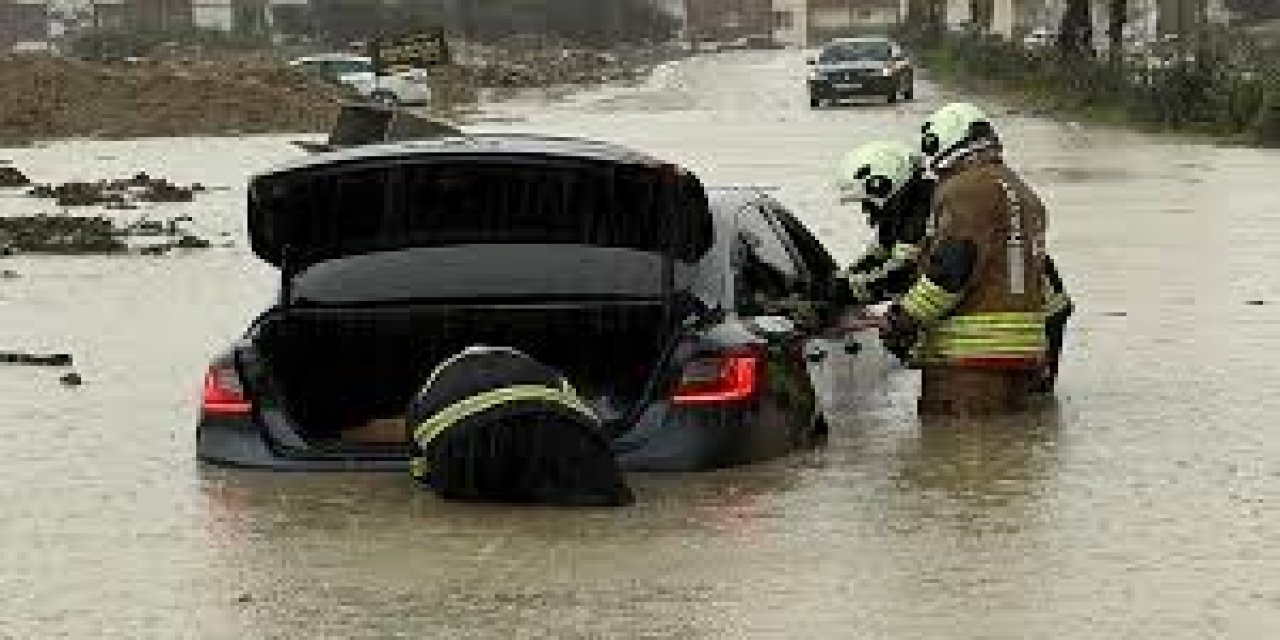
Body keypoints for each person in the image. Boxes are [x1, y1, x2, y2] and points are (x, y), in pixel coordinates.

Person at [866, 103, 1054, 416]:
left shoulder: (963, 190)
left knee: (955, 454)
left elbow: (952, 269)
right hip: (1025, 353)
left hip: (968, 359)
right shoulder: (1024, 193)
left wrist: (903, 319)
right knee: (1006, 455)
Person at [406, 346, 634, 506]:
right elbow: (589, 421)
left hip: (459, 432)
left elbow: (420, 467)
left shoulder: (430, 390)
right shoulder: (548, 376)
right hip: (547, 414)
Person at [834, 140, 935, 308]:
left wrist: (846, 291)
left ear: (881, 186)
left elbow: (902, 272)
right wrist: (842, 276)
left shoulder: (924, 211)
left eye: (867, 202)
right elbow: (878, 254)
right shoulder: (903, 209)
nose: (866, 210)